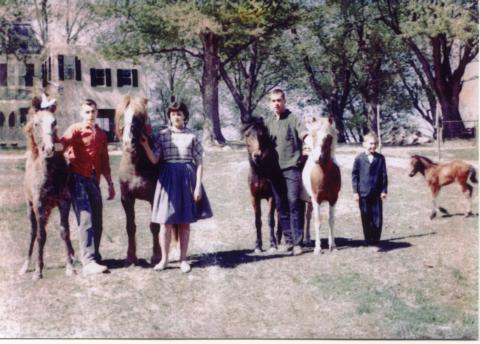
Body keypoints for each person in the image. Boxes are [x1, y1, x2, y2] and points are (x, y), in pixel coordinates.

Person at [140, 101, 213, 273]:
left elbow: (199, 162)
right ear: (169, 117)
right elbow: (155, 159)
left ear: (185, 116)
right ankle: (164, 260)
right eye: (173, 114)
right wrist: (145, 146)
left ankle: (183, 259)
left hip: (187, 179)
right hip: (168, 179)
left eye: (179, 114)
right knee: (166, 222)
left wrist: (197, 187)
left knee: (184, 223)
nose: (176, 117)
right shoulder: (162, 135)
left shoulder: (193, 135)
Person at [61, 99, 116, 275]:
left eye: (93, 111)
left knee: (98, 220)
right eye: (87, 112)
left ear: (97, 113)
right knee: (85, 219)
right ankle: (88, 261)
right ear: (81, 114)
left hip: (94, 179)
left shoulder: (101, 134)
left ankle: (94, 255)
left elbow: (105, 161)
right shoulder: (75, 130)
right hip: (77, 178)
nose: (90, 115)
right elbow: (61, 144)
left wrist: (110, 183)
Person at [265, 89, 308, 255]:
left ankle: (298, 243)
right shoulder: (269, 123)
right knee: (281, 206)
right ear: (270, 103)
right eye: (273, 101)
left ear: (284, 101)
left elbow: (303, 133)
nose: (276, 103)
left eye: (279, 100)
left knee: (293, 203)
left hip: (292, 168)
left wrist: (309, 140)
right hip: (275, 170)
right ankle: (289, 242)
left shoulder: (293, 118)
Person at [351, 132, 388, 247]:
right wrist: (355, 192)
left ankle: (376, 240)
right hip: (364, 193)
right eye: (371, 143)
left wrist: (384, 191)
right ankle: (368, 240)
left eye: (375, 143)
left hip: (376, 194)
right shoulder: (359, 159)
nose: (373, 146)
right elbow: (355, 176)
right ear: (364, 144)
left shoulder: (380, 158)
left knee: (377, 218)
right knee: (366, 217)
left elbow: (384, 176)